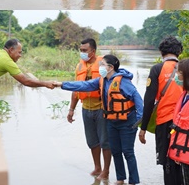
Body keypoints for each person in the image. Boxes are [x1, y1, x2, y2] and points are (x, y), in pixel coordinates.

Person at [57, 55, 143, 185]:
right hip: (111, 121)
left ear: (110, 67)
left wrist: (138, 120)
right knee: (115, 151)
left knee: (128, 152)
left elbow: (138, 100)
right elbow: (83, 85)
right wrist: (62, 84)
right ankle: (120, 179)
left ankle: (133, 181)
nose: (99, 67)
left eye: (102, 64)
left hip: (127, 122)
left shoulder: (123, 81)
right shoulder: (101, 80)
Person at [139, 36, 183, 185]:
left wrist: (143, 128)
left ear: (161, 52)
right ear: (179, 52)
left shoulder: (157, 69)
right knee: (182, 160)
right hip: (185, 123)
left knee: (167, 162)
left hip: (165, 123)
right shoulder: (187, 68)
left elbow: (149, 100)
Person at [66, 39, 111, 180]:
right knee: (92, 141)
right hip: (86, 108)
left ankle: (106, 170)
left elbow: (113, 84)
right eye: (81, 50)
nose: (82, 53)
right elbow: (75, 88)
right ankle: (97, 167)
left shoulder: (104, 64)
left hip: (101, 108)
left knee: (105, 141)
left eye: (85, 50)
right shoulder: (80, 66)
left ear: (93, 51)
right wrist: (71, 109)